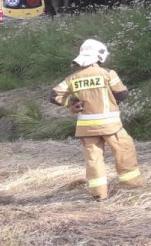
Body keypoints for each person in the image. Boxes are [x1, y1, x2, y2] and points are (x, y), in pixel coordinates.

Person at [50, 39, 143, 201]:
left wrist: (71, 103)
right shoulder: (108, 73)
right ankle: (131, 186)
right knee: (124, 151)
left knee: (93, 159)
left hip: (87, 128)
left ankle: (99, 194)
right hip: (111, 126)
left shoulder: (72, 78)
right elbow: (122, 94)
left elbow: (54, 96)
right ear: (99, 56)